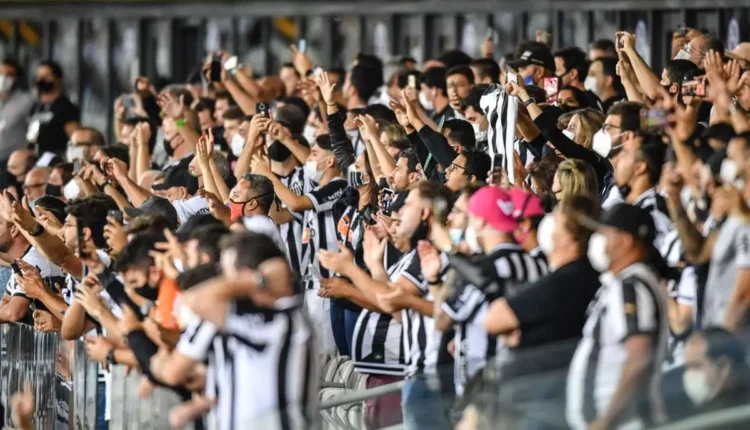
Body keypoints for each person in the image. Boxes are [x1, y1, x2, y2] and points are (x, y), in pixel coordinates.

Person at [566, 203, 669, 430]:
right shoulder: (625, 283)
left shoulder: (631, 287)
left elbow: (639, 358)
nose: (597, 241)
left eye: (604, 234)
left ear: (625, 241)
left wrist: (605, 421)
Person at [485, 195, 601, 349]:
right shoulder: (586, 273)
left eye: (555, 222)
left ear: (571, 237)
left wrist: (514, 331)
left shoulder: (567, 281)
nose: (548, 226)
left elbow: (494, 319)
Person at [613, 132, 673, 249]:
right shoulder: (634, 204)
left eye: (624, 155)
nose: (616, 161)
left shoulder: (653, 213)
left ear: (640, 167)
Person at [27, 60, 80, 155]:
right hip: (35, 159)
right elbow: (30, 138)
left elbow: (76, 140)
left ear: (58, 79)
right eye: (39, 76)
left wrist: (76, 167)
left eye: (46, 76)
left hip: (55, 160)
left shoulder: (65, 107)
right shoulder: (36, 106)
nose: (41, 80)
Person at [0, 59, 34, 163]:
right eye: (1, 73)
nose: (4, 78)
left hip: (14, 161)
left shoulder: (27, 101)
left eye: (9, 74)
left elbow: (33, 132)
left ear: (17, 78)